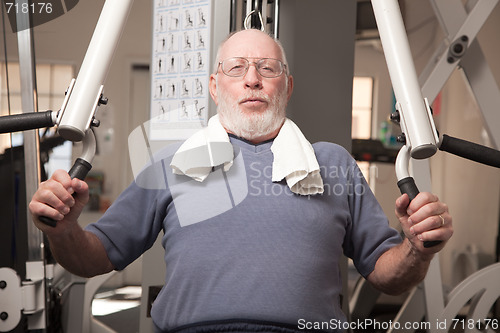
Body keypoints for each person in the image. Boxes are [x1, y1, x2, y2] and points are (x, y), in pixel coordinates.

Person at [29, 29, 453, 333]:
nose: (252, 79)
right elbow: (95, 257)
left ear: (286, 85)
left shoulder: (334, 164)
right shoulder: (170, 163)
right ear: (215, 86)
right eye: (236, 69)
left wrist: (416, 247)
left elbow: (386, 274)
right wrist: (64, 230)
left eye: (267, 68)